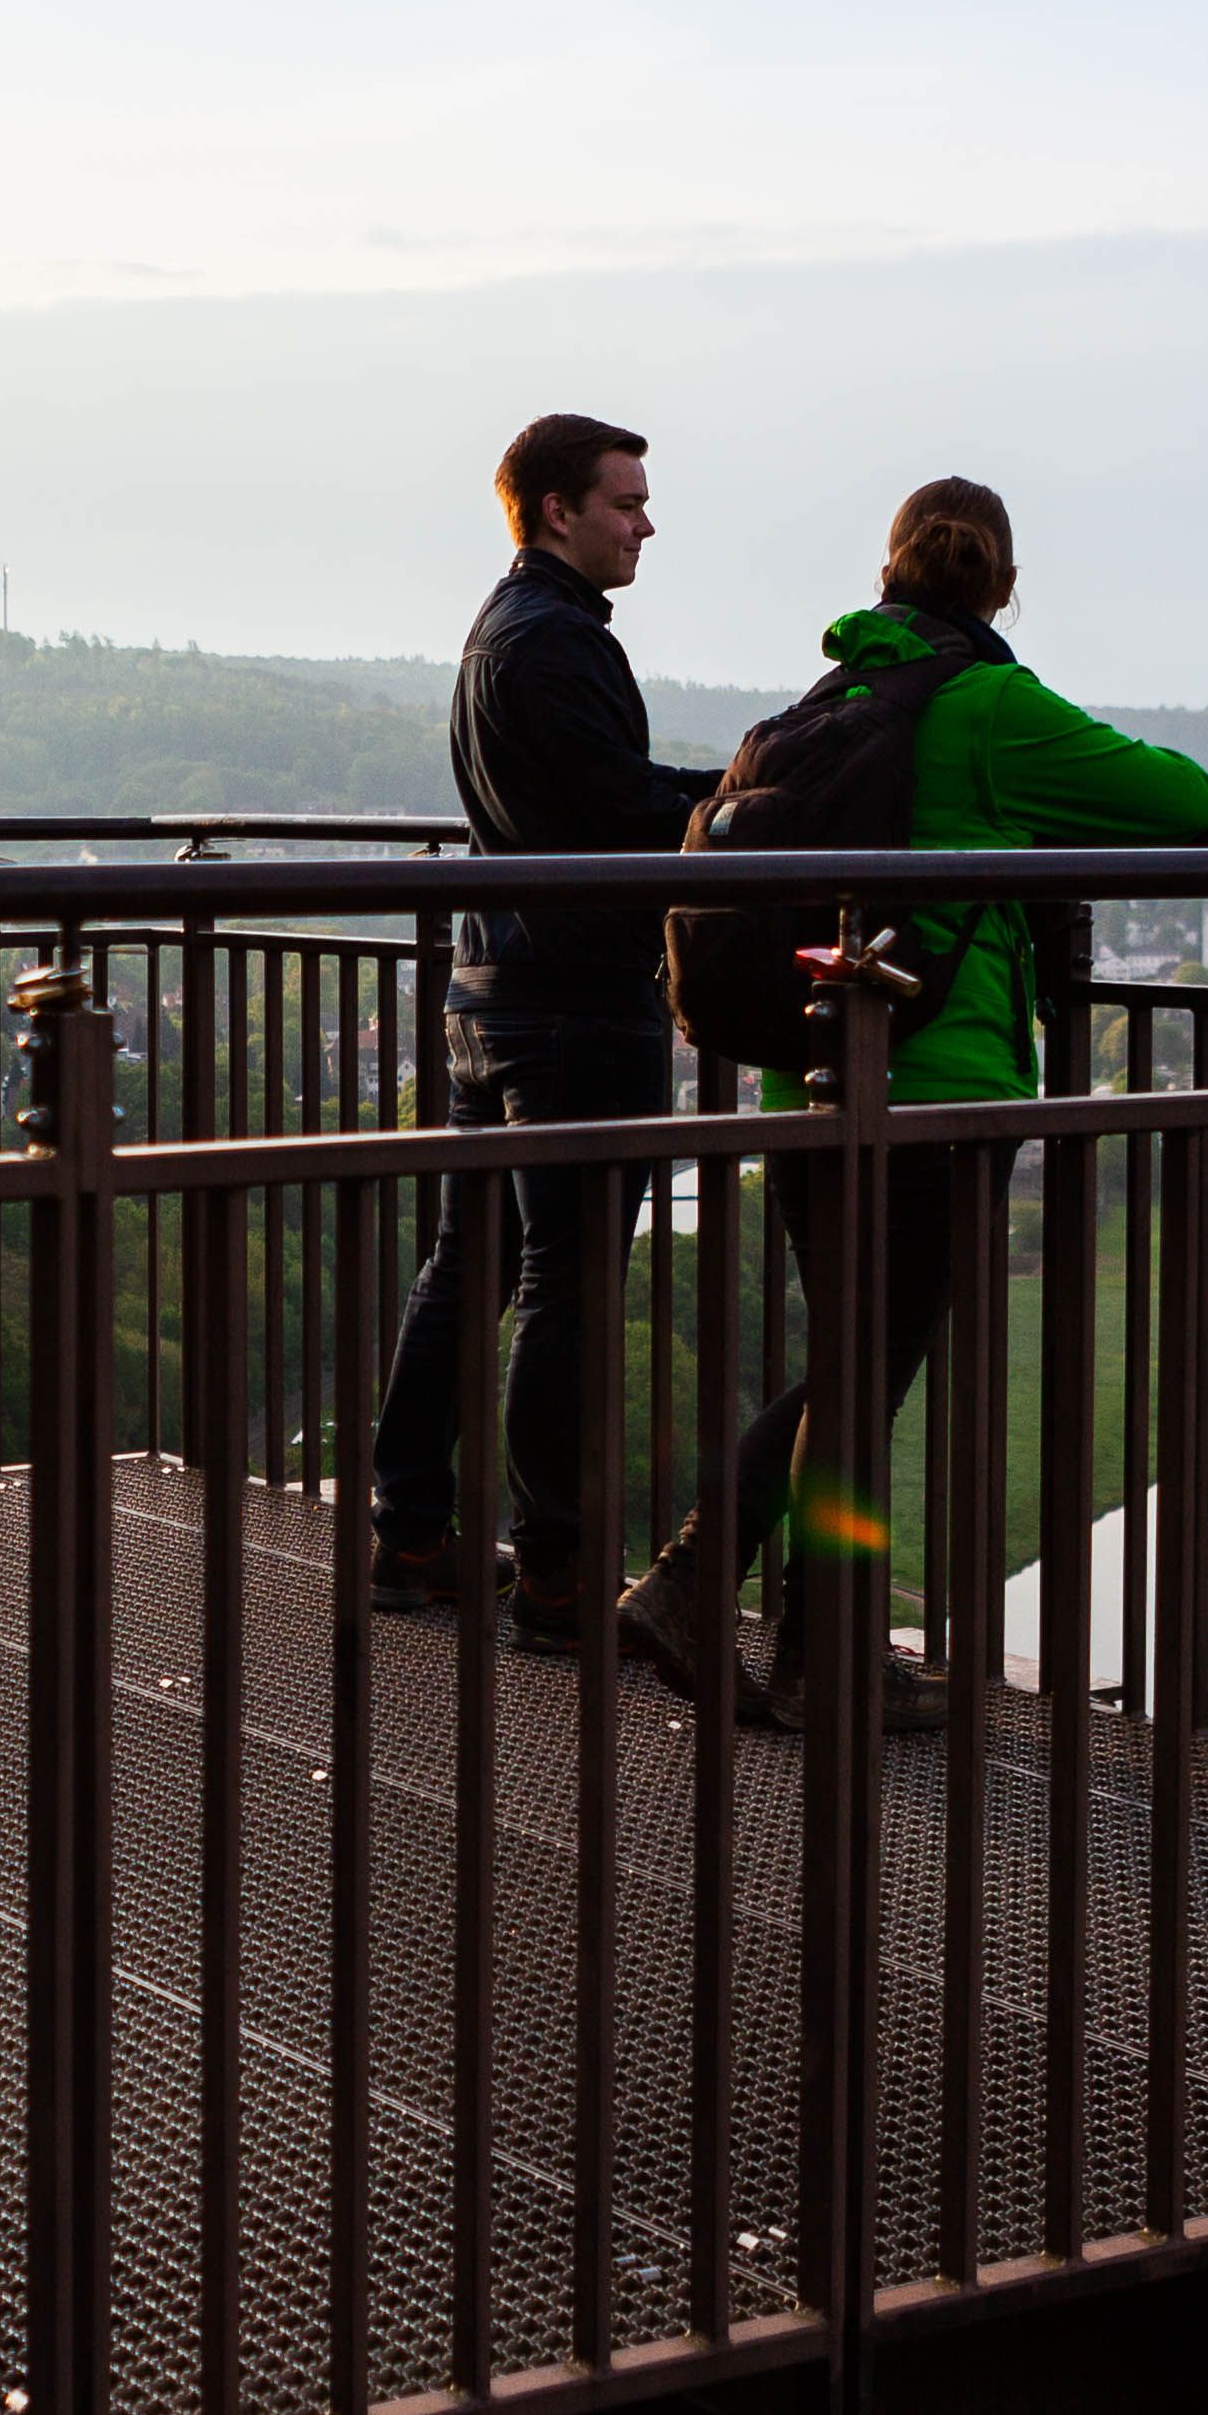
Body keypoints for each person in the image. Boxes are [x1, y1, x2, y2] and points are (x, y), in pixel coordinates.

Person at [616, 473, 1208, 1725]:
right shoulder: (988, 703)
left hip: (807, 1070)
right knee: (864, 1365)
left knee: (850, 1357)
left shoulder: (823, 698)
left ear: (886, 573)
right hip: (936, 1082)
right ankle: (699, 1587)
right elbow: (1188, 800)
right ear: (1000, 582)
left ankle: (813, 1648)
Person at [366, 412, 719, 1650]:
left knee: (470, 1268)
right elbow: (619, 815)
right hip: (570, 1001)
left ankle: (409, 1531)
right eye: (625, 501)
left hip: (495, 987)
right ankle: (557, 1572)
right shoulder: (553, 645)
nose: (645, 521)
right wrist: (737, 799)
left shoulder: (503, 632)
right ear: (557, 509)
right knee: (562, 1285)